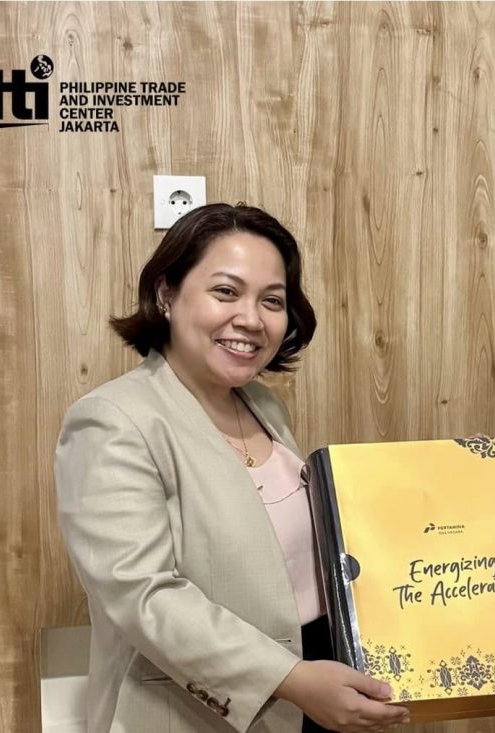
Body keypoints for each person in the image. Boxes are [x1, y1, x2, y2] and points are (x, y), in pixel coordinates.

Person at [55, 203, 409, 733]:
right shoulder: (112, 422)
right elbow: (146, 600)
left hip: (317, 685)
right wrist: (290, 679)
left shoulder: (261, 405)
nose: (250, 318)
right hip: (198, 711)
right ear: (166, 295)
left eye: (272, 300)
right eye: (226, 291)